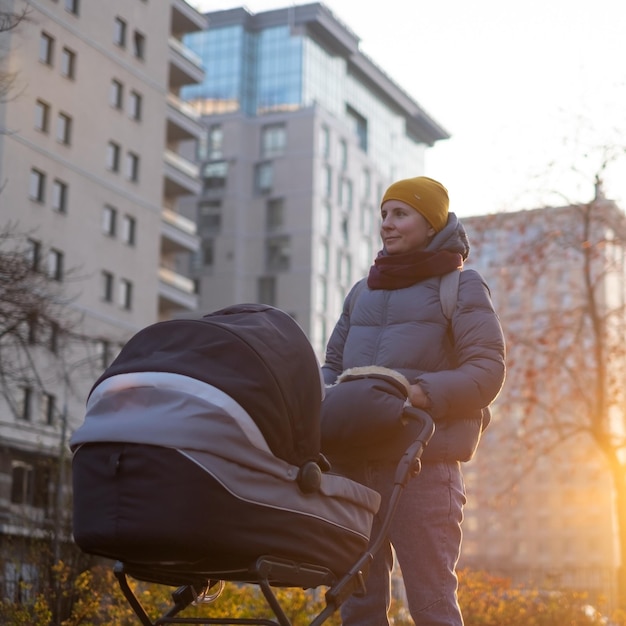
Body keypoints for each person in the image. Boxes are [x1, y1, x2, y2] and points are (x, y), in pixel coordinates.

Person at [321, 176, 506, 626]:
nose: (387, 224)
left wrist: (417, 396)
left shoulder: (461, 287)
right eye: (384, 214)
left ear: (430, 223)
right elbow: (331, 366)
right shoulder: (361, 293)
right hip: (352, 468)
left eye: (400, 214)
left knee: (432, 606)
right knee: (358, 607)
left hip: (421, 467)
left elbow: (486, 370)